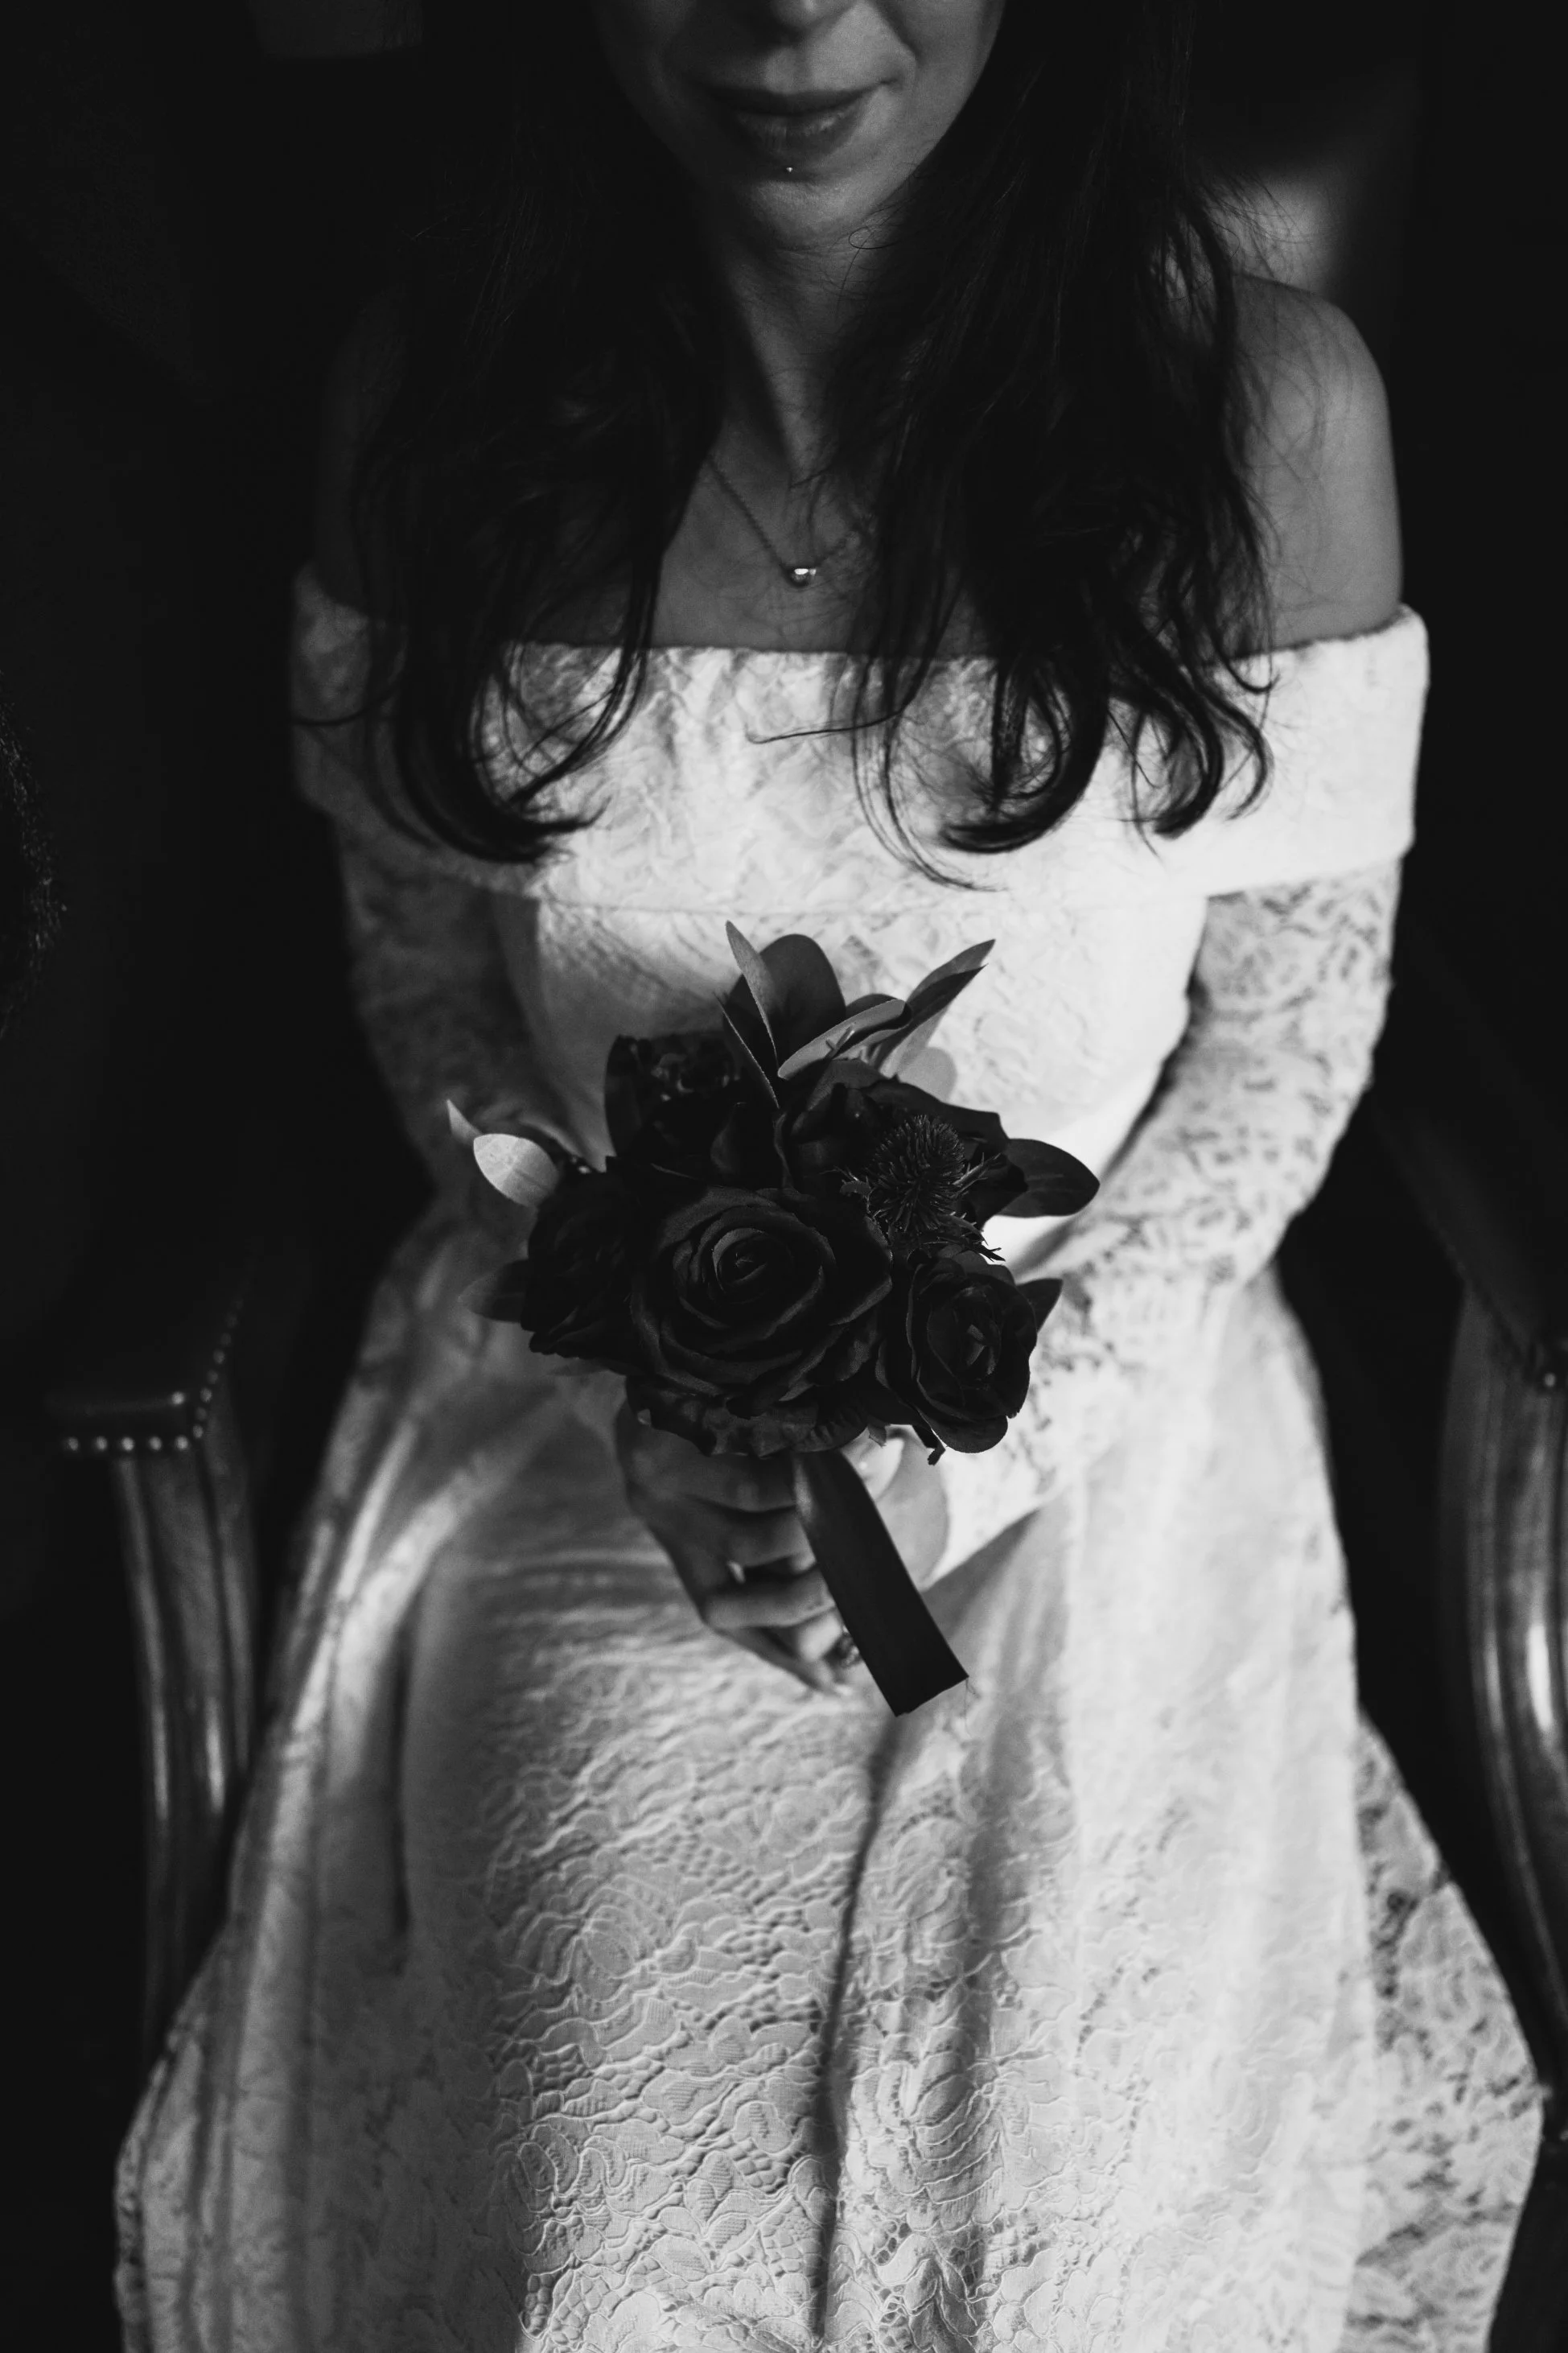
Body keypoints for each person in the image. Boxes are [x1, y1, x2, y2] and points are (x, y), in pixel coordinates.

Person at [117, 4, 1538, 2346]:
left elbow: (1285, 1042)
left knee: (1082, 2247)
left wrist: (1006, 1428)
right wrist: (642, 1392)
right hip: (587, 1424)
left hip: (1111, 1399)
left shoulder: (1263, 414)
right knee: (600, 2238)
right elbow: (432, 995)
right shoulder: (438, 403)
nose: (794, 21)